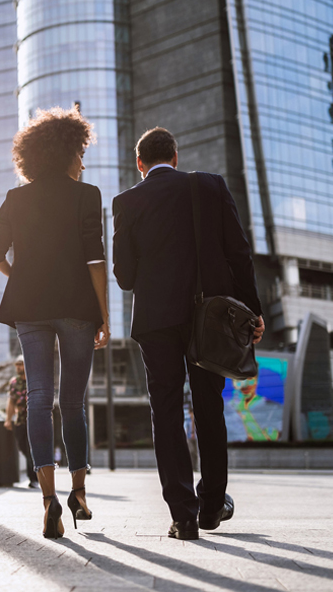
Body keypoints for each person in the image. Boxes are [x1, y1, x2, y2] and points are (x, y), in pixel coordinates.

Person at [112, 127, 264, 540]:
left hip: (156, 320)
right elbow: (240, 253)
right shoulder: (210, 187)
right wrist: (253, 312)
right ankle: (213, 504)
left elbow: (124, 277)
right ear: (175, 157)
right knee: (208, 406)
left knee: (165, 409)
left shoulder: (126, 201)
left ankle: (182, 514)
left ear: (140, 164)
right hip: (209, 317)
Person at [0, 106, 110, 539]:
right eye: (80, 153)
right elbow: (96, 260)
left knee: (38, 399)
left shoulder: (15, 198)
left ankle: (47, 500)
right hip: (77, 308)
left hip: (29, 309)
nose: (83, 161)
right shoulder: (87, 194)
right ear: (66, 154)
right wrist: (104, 316)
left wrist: (20, 278)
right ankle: (78, 493)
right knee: (72, 402)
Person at [3, 356, 38, 488]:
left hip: (34, 420)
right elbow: (11, 401)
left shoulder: (34, 379)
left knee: (30, 450)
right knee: (23, 448)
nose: (18, 367)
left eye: (21, 365)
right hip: (20, 421)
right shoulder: (13, 382)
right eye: (17, 365)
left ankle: (33, 479)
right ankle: (35, 474)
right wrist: (8, 419)